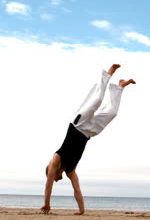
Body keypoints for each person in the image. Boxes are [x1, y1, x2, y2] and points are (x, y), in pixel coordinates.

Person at [41, 64, 135, 215]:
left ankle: (107, 73)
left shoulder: (54, 161)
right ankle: (120, 87)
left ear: (52, 172)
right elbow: (77, 189)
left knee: (97, 100)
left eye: (56, 178)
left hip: (78, 124)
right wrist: (82, 211)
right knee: (112, 113)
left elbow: (48, 186)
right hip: (89, 132)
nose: (58, 180)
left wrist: (46, 204)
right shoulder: (71, 172)